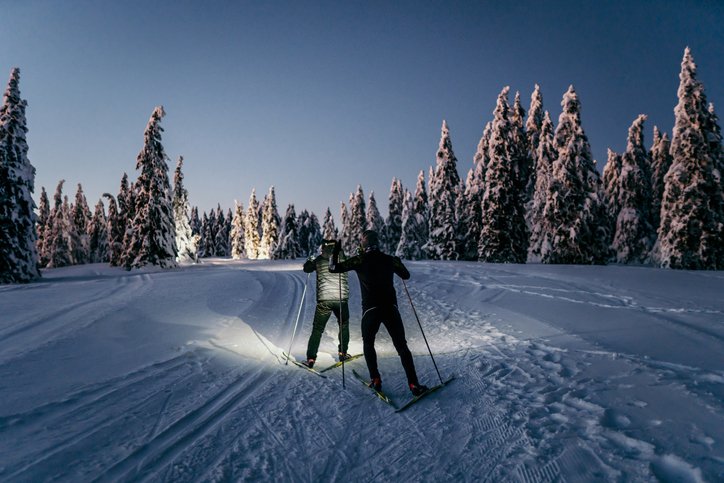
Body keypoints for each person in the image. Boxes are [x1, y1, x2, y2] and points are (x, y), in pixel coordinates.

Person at [329, 230, 428, 396]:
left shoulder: (359, 260)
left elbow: (333, 268)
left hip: (370, 310)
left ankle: (375, 380)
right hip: (390, 308)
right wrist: (398, 262)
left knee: (368, 344)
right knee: (402, 346)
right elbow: (406, 275)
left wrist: (336, 252)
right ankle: (414, 384)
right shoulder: (389, 260)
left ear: (363, 244)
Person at [301, 239, 351, 368]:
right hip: (341, 299)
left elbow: (306, 269)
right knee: (343, 325)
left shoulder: (318, 260)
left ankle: (311, 359)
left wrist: (310, 260)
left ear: (323, 248)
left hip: (324, 300)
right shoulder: (343, 258)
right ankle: (342, 353)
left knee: (317, 329)